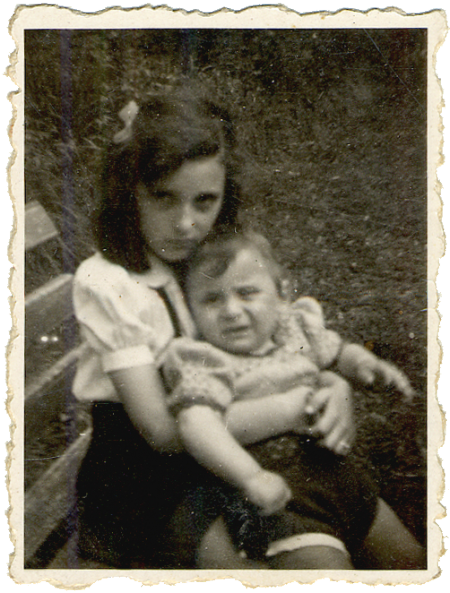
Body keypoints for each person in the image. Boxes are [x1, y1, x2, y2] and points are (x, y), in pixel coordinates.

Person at [71, 88, 355, 570]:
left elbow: (283, 331)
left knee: (333, 521)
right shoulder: (109, 282)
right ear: (129, 192)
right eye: (163, 198)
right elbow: (161, 432)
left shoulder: (209, 261)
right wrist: (294, 407)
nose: (186, 224)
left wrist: (331, 381)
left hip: (222, 451)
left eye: (205, 201)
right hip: (142, 476)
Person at [162, 230, 425, 569]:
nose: (230, 310)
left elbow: (337, 353)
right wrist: (251, 477)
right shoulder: (207, 360)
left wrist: (364, 365)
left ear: (281, 294)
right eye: (211, 299)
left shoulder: (293, 330)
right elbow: (196, 422)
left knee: (411, 561)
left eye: (247, 293)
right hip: (284, 499)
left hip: (345, 480)